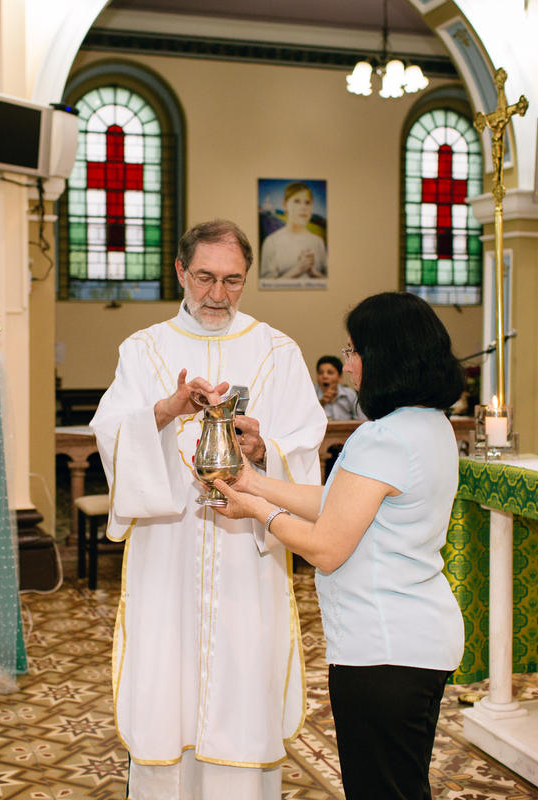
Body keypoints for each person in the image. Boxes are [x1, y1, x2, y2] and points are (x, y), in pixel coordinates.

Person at [90, 219, 326, 799]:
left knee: (242, 694)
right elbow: (111, 437)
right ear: (180, 271)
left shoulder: (278, 351)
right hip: (167, 557)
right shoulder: (143, 349)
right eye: (205, 278)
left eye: (233, 281)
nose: (218, 295)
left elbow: (305, 447)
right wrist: (167, 408)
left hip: (249, 560)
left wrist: (260, 449)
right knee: (166, 693)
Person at [213, 291, 467, 800]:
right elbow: (338, 499)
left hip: (384, 650)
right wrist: (253, 480)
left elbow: (326, 547)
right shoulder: (430, 424)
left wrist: (255, 510)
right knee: (402, 785)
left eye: (353, 351)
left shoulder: (381, 437)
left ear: (384, 355)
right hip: (419, 637)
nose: (347, 363)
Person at [259, 182, 327, 280]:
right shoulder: (271, 242)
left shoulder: (318, 242)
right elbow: (266, 285)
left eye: (307, 202)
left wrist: (313, 272)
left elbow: (330, 283)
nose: (303, 207)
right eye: (297, 201)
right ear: (285, 205)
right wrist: (298, 269)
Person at [315, 355, 365, 421]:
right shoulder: (311, 394)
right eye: (320, 373)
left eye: (330, 373)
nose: (325, 376)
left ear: (340, 377)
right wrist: (321, 404)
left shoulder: (350, 394)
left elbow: (361, 420)